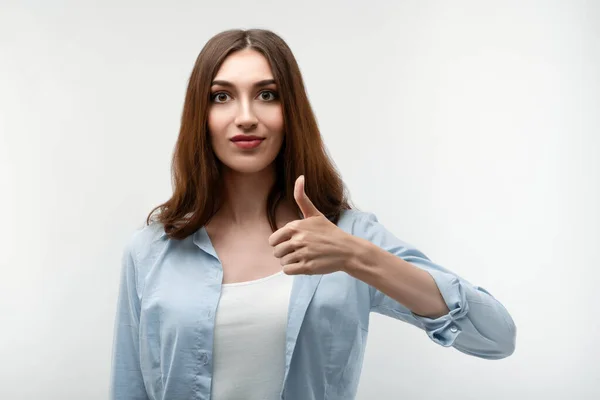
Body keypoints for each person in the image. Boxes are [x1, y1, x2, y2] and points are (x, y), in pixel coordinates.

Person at [109, 28, 516, 400]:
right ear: (201, 116)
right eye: (222, 96)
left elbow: (495, 337)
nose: (246, 116)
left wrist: (358, 257)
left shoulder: (347, 237)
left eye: (267, 94)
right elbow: (128, 388)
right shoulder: (150, 250)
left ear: (293, 112)